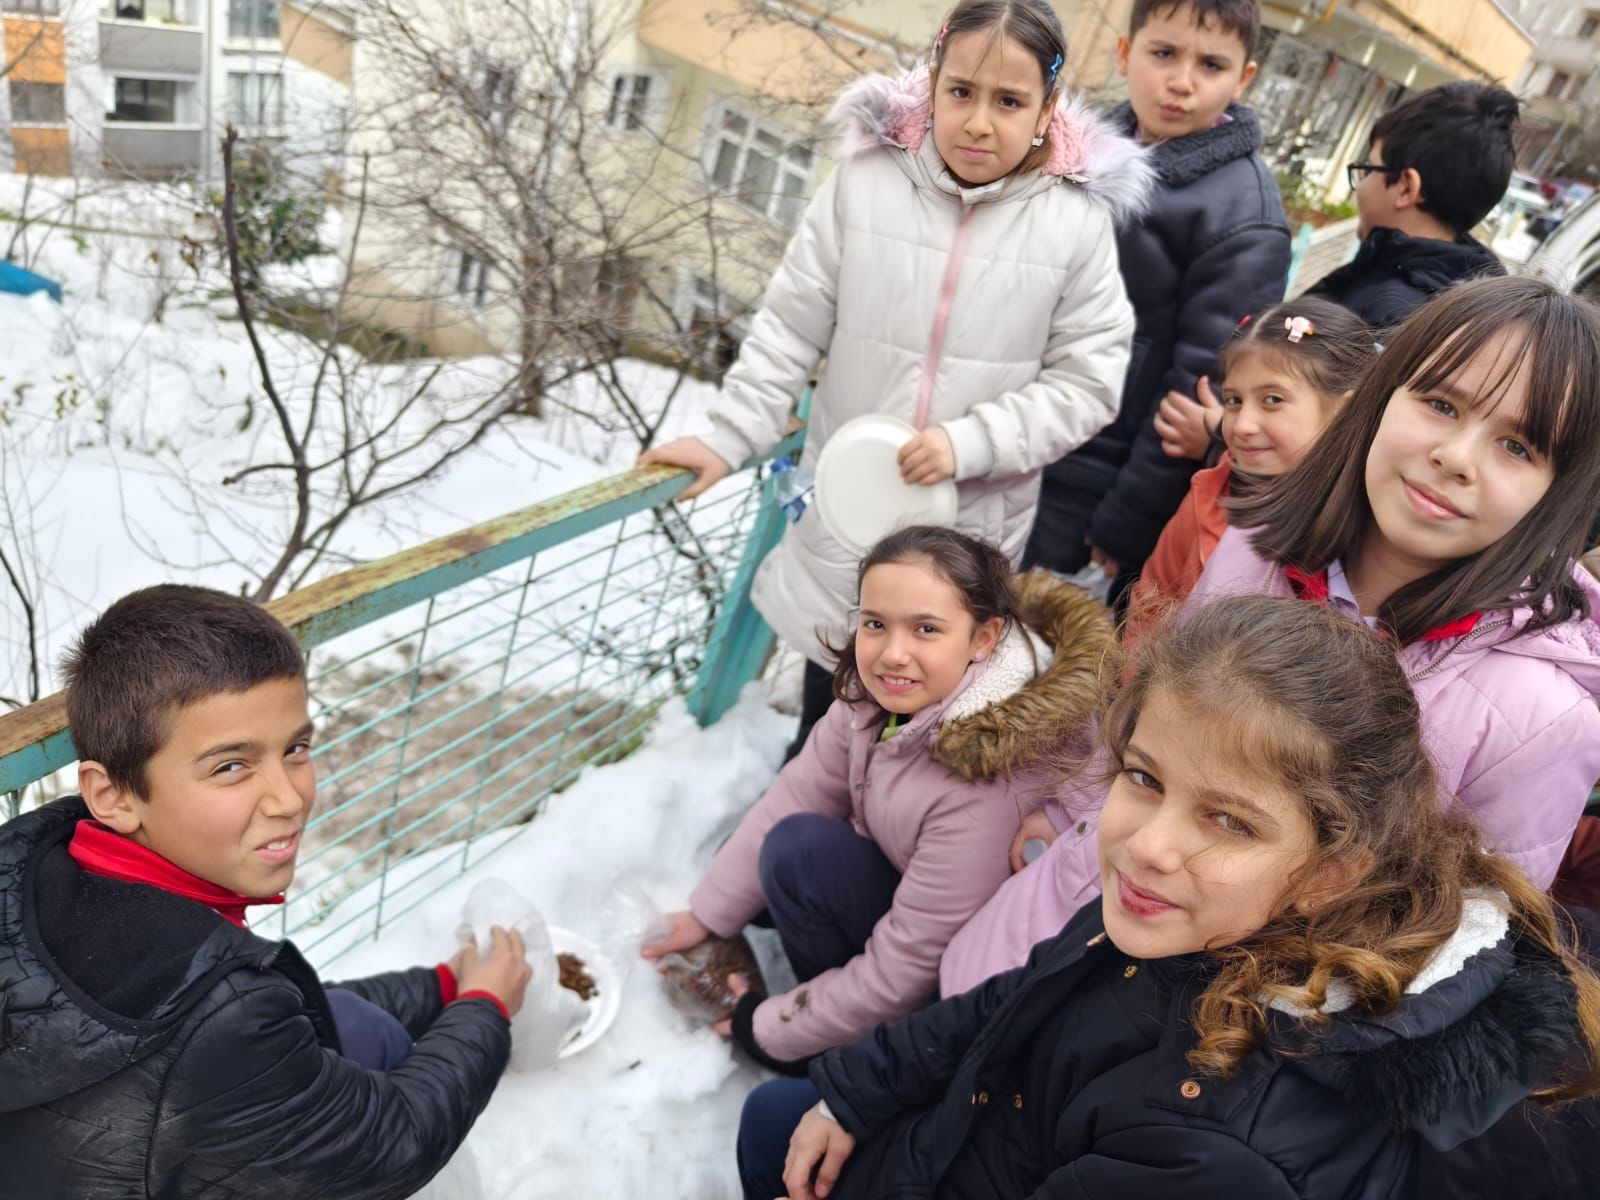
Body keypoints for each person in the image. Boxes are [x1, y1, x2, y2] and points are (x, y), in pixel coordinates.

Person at [737, 596, 1600, 1200]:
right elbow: (1010, 1001)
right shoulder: (1178, 910)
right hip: (984, 1137)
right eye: (1145, 778)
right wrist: (857, 1090)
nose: (1149, 844)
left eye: (1229, 821)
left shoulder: (1229, 1152)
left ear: (1332, 869)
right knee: (781, 1117)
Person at [942, 274, 1600, 996]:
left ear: (1559, 491)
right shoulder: (1255, 546)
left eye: (1517, 445)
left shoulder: (1548, 717)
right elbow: (1149, 720)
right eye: (1441, 404)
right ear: (1380, 396)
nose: (1457, 457)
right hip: (1060, 921)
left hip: (1221, 1036)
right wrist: (1068, 811)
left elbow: (1454, 952)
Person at [640, 0, 1146, 758]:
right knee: (828, 711)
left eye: (1008, 102)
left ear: (1045, 111)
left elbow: (1090, 382)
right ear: (932, 84)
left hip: (968, 534)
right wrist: (727, 436)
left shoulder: (1074, 224)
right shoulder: (865, 183)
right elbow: (789, 324)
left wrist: (970, 442)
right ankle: (794, 836)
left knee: (924, 735)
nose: (979, 121)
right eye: (962, 93)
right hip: (849, 520)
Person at [0, 585, 531, 1197]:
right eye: (231, 766)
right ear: (113, 794)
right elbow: (388, 1146)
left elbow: (251, 1021)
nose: (290, 799)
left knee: (354, 1022)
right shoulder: (228, 1015)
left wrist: (440, 986)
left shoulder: (37, 866)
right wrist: (486, 1007)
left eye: (296, 748)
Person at [642, 527, 1110, 1073]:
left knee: (799, 855)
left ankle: (836, 1047)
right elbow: (800, 793)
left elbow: (907, 966)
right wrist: (707, 914)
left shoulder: (988, 782)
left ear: (984, 639)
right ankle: (826, 1002)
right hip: (903, 873)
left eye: (927, 629)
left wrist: (767, 1028)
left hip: (948, 979)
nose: (893, 654)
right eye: (875, 624)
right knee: (787, 844)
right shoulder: (876, 699)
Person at [1025, 0, 1291, 609]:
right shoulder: (1077, 151)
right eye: (1164, 53)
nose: (1181, 81)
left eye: (1211, 64)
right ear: (1125, 54)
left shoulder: (1243, 214)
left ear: (1242, 79)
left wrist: (1128, 518)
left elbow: (1199, 381)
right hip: (1023, 428)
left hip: (1092, 479)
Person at [1125, 296, 1373, 633]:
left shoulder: (1365, 537)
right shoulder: (1212, 492)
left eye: (1272, 400)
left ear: (1345, 412)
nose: (1242, 425)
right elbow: (1151, 601)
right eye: (1233, 401)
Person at [1308, 81, 1516, 329]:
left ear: (1406, 188)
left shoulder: (1382, 317)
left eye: (1368, 169)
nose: (1361, 185)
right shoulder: (1467, 307)